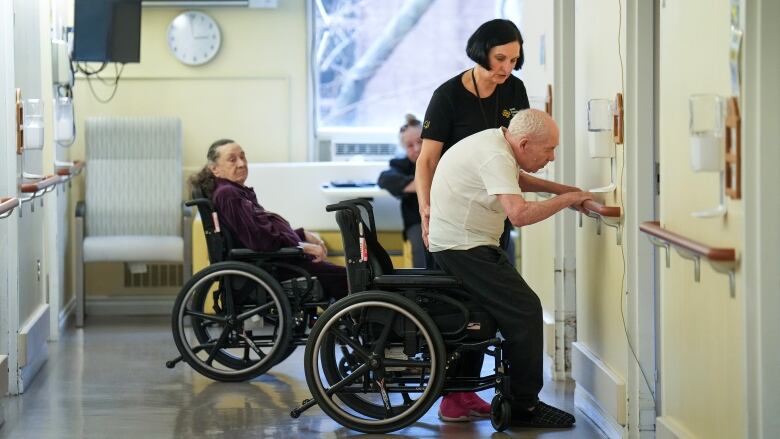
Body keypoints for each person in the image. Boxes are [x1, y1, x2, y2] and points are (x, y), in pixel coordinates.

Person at [430, 109, 592, 427]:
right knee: (527, 311)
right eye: (549, 150)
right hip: (465, 247)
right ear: (525, 143)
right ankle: (523, 407)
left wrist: (565, 191)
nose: (552, 157)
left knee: (483, 317)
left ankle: (459, 399)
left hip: (458, 243)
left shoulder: (497, 143)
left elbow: (517, 179)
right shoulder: (495, 155)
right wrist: (567, 200)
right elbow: (518, 215)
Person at [415, 18, 530, 419]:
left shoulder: (514, 90)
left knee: (488, 310)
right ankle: (451, 394)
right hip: (452, 220)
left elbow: (519, 149)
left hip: (491, 219)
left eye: (514, 60)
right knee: (461, 307)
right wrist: (426, 211)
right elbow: (427, 160)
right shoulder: (447, 96)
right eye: (500, 58)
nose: (506, 69)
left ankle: (465, 393)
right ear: (481, 52)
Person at [190, 139, 348, 300]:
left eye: (243, 157)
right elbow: (261, 241)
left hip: (274, 261)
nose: (241, 164)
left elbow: (262, 232)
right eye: (232, 159)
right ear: (215, 169)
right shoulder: (228, 194)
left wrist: (301, 234)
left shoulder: (234, 192)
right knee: (349, 279)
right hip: (273, 266)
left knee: (342, 275)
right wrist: (303, 247)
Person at [377, 114, 432, 268]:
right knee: (422, 242)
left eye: (420, 141)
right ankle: (423, 287)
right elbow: (385, 179)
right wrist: (423, 184)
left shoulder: (440, 158)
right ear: (403, 148)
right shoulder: (401, 164)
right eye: (409, 145)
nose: (417, 148)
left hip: (443, 217)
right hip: (416, 221)